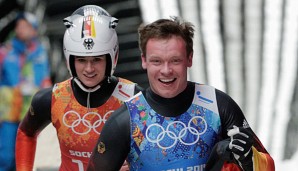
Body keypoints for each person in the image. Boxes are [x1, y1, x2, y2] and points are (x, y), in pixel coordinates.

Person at [86, 17, 275, 171]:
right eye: (157, 61)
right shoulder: (126, 119)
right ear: (144, 61)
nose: (166, 71)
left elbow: (268, 166)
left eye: (175, 60)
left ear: (189, 59)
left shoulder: (218, 105)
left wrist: (249, 160)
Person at [15, 5, 142, 171]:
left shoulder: (133, 97)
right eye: (81, 60)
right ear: (70, 59)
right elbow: (25, 133)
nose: (89, 69)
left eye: (97, 59)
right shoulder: (53, 98)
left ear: (112, 58)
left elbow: (157, 148)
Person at [0, 12, 52, 171]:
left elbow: (45, 80)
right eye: (19, 25)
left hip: (30, 112)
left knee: (28, 156)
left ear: (35, 30)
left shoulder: (41, 53)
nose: (20, 29)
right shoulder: (4, 51)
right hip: (9, 113)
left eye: (26, 26)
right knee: (6, 157)